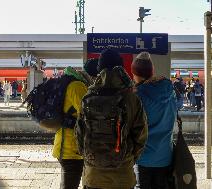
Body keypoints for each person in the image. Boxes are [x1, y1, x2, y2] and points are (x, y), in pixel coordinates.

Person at [81, 49, 148, 189]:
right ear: (121, 68)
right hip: (122, 176)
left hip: (93, 176)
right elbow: (141, 136)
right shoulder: (131, 98)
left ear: (99, 69)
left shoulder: (88, 97)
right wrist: (127, 158)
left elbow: (79, 134)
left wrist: (90, 159)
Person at [131, 52, 177, 189]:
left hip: (143, 158)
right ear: (151, 72)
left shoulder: (137, 95)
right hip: (165, 157)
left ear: (135, 73)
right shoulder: (170, 91)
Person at [52, 62, 98, 189]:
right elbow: (87, 115)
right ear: (94, 76)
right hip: (70, 148)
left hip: (70, 146)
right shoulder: (78, 86)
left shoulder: (76, 84)